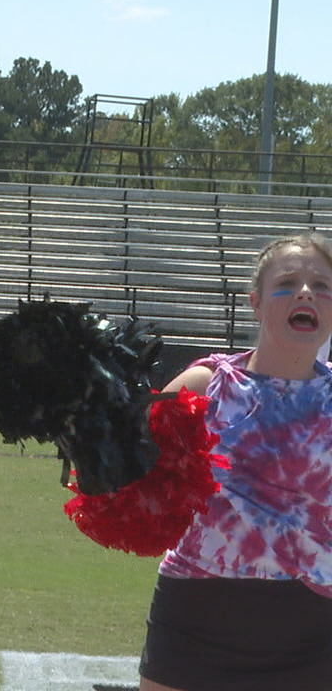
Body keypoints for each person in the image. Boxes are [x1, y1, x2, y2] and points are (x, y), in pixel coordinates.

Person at [138, 232, 332, 691]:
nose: (306, 293)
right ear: (257, 303)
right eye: (287, 282)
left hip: (314, 628)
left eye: (322, 286)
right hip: (198, 612)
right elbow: (131, 475)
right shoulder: (203, 385)